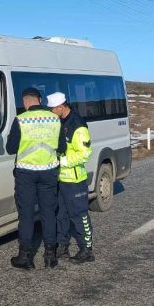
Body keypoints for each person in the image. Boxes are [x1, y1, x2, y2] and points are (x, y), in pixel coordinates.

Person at [6, 87, 66, 270]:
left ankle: (25, 257)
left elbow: (10, 148)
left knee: (26, 215)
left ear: (25, 102)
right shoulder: (55, 119)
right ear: (39, 99)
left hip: (26, 173)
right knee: (48, 213)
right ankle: (50, 256)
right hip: (49, 172)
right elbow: (61, 146)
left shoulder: (20, 120)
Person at [47, 91, 95, 264]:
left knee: (79, 215)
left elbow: (85, 154)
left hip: (75, 181)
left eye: (52, 108)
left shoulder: (78, 125)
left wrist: (62, 161)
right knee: (61, 215)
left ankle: (87, 249)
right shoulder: (58, 122)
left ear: (61, 107)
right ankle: (63, 246)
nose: (50, 111)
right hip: (60, 179)